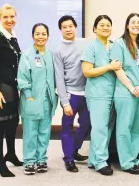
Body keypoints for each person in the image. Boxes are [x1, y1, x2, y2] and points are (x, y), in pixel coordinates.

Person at [82, 15, 122, 176]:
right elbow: (87, 71)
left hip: (113, 92)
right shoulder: (91, 47)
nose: (105, 27)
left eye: (108, 25)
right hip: (98, 93)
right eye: (101, 25)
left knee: (107, 128)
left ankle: (94, 158)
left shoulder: (114, 46)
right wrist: (109, 67)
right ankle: (100, 161)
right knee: (99, 128)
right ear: (95, 29)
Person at [110, 13, 139, 175]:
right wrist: (132, 88)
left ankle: (133, 159)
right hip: (126, 92)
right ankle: (126, 162)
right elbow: (118, 69)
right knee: (124, 128)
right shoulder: (119, 44)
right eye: (133, 22)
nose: (136, 25)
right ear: (127, 25)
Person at [17, 23, 58, 175]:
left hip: (48, 100)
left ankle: (41, 159)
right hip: (31, 100)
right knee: (30, 133)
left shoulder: (51, 54)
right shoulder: (27, 54)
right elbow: (22, 78)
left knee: (44, 132)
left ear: (48, 36)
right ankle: (29, 161)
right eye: (38, 34)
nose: (41, 37)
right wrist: (29, 97)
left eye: (44, 34)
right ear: (32, 36)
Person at [0, 4, 23, 177]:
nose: (9, 20)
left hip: (12, 86)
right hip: (0, 88)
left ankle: (10, 154)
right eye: (5, 17)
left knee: (13, 122)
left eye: (12, 17)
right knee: (0, 125)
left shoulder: (12, 37)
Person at [53, 15, 91, 172]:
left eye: (71, 26)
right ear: (61, 29)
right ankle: (68, 159)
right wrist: (65, 102)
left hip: (86, 92)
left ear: (75, 27)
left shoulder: (85, 43)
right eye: (64, 27)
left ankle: (74, 150)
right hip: (70, 94)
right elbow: (59, 78)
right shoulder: (58, 50)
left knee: (87, 124)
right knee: (67, 127)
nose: (68, 29)